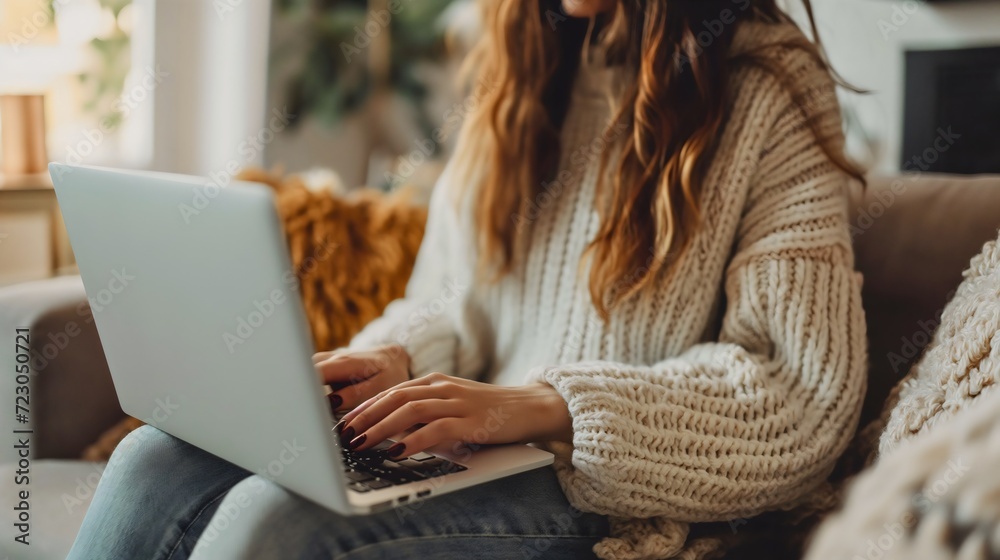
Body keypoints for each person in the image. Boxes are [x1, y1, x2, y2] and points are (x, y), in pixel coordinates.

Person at [69, 0, 868, 558]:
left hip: (609, 494)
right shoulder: (526, 65)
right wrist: (396, 359)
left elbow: (800, 396)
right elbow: (446, 297)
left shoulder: (770, 87)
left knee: (275, 519)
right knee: (154, 458)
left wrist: (547, 406)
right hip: (469, 447)